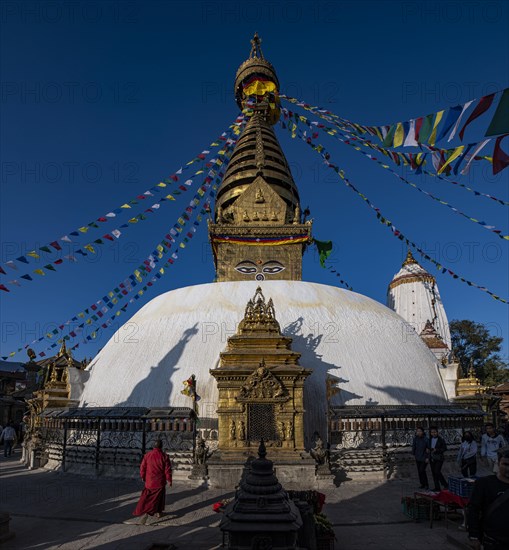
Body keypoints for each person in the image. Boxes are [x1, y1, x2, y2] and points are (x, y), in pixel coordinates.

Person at [467, 447, 509, 550]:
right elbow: (473, 510)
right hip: (493, 542)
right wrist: (474, 536)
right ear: (498, 463)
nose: (508, 468)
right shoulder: (484, 484)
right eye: (505, 464)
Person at [132, 440, 172, 521]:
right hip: (160, 481)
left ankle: (159, 512)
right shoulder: (164, 456)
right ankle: (148, 513)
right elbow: (167, 470)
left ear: (153, 446)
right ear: (161, 446)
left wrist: (143, 476)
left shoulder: (147, 455)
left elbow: (142, 467)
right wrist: (169, 480)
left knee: (149, 497)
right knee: (158, 498)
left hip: (149, 481)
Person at [429, 426, 448, 492]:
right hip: (432, 458)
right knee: (434, 473)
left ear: (437, 432)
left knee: (437, 471)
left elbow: (444, 448)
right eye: (432, 432)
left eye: (434, 432)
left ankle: (445, 484)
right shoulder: (429, 440)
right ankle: (437, 487)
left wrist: (436, 450)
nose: (433, 433)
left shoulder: (441, 440)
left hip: (439, 458)